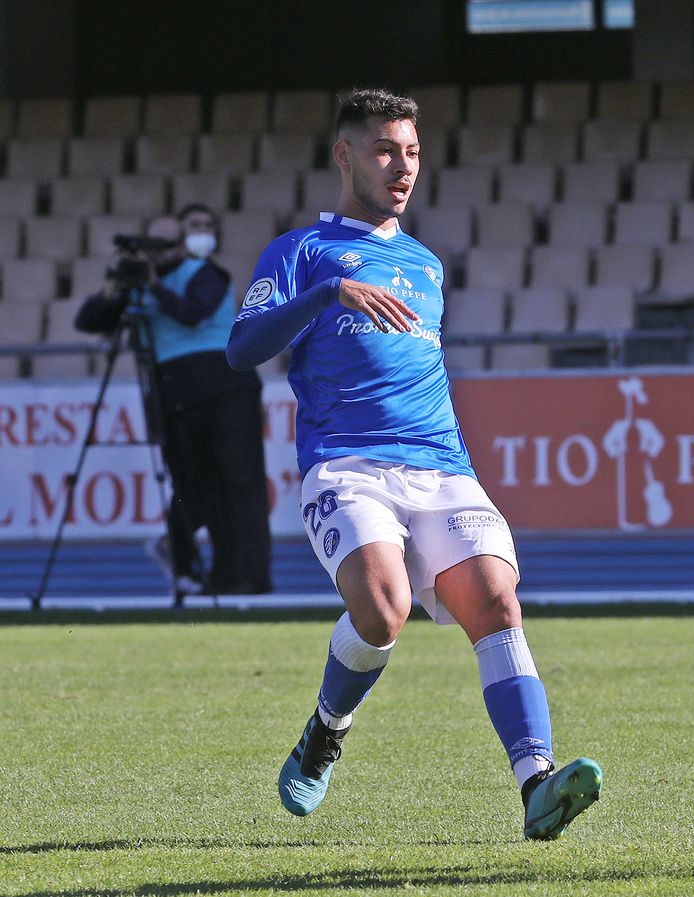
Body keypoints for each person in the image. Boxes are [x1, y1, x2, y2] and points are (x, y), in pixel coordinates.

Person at [225, 89, 601, 839]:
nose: (403, 167)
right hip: (347, 465)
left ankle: (537, 783)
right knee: (382, 608)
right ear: (344, 156)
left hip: (440, 466)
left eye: (413, 152)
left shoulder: (426, 264)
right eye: (384, 150)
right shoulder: (301, 252)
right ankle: (326, 729)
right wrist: (328, 293)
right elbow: (241, 350)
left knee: (496, 601)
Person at [74, 210, 272, 596]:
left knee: (238, 481)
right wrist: (114, 284)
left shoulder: (205, 272)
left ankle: (246, 577)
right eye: (153, 246)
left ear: (181, 246)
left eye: (166, 245)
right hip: (176, 394)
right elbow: (89, 320)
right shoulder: (139, 285)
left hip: (225, 386)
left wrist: (153, 286)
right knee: (190, 484)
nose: (159, 254)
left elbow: (193, 313)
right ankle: (196, 568)